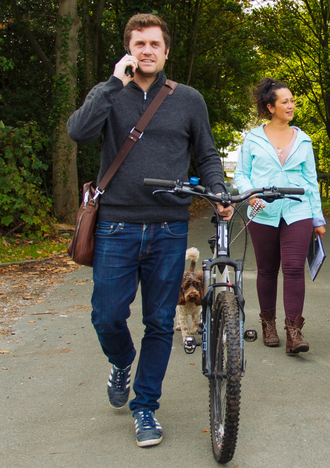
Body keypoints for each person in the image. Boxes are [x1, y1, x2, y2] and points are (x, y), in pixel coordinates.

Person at [67, 13, 233, 447]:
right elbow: (78, 132)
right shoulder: (109, 94)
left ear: (165, 51)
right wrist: (110, 86)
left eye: (154, 44)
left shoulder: (189, 100)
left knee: (159, 322)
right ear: (128, 49)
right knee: (106, 314)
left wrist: (217, 191)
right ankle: (122, 361)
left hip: (169, 227)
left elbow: (208, 155)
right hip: (115, 227)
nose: (146, 51)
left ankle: (145, 408)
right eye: (138, 44)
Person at [234, 77, 326, 354]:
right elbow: (241, 173)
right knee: (266, 269)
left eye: (292, 101)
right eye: (285, 101)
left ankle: (293, 332)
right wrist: (250, 193)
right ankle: (268, 324)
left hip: (297, 210)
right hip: (263, 212)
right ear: (270, 106)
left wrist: (318, 218)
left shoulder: (304, 139)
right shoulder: (252, 139)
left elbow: (311, 180)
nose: (291, 105)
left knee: (295, 268)